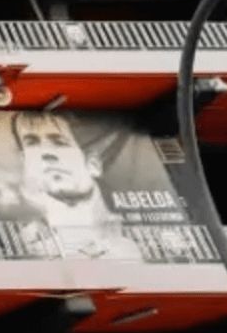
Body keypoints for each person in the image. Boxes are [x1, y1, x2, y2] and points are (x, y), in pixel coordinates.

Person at [10, 112, 145, 261]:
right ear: (25, 162)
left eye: (60, 143)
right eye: (32, 144)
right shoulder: (22, 248)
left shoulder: (142, 233)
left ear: (93, 164)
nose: (45, 154)